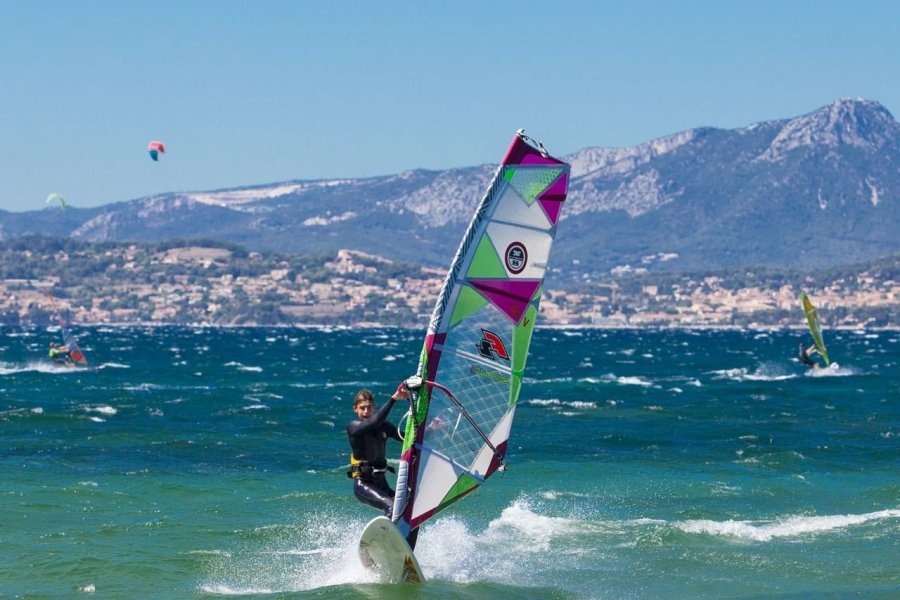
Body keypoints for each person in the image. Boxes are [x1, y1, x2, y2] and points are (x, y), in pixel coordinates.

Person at [346, 383, 419, 549]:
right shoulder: (353, 427)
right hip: (363, 484)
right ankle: (376, 548)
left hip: (381, 483)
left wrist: (430, 429)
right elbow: (375, 420)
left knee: (412, 511)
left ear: (374, 407)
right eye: (362, 408)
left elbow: (407, 438)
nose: (366, 412)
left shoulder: (384, 427)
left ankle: (406, 552)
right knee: (392, 507)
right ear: (355, 409)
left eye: (369, 407)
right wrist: (394, 399)